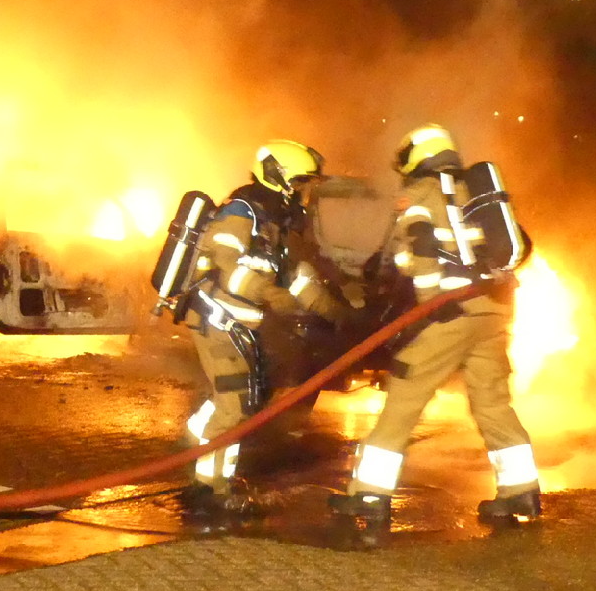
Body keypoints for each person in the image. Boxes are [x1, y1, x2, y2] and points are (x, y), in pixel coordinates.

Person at [330, 123, 541, 524]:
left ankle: (369, 497)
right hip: (493, 312)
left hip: (451, 311)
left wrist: (429, 304)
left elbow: (423, 251)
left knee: (404, 397)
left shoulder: (422, 194)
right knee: (493, 402)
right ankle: (521, 494)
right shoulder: (474, 192)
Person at [181, 140, 349, 518]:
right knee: (235, 405)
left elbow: (298, 279)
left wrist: (335, 312)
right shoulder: (242, 212)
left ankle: (199, 448)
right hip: (215, 318)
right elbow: (226, 266)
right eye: (303, 183)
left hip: (237, 323)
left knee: (241, 401)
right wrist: (270, 294)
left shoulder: (276, 223)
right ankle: (210, 490)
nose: (307, 193)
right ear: (281, 178)